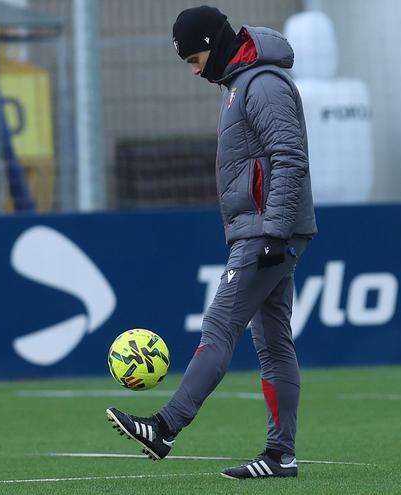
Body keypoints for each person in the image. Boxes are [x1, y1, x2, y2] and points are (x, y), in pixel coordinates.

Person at [105, 5, 317, 480]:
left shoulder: (261, 84)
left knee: (220, 327)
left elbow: (289, 156)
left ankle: (165, 428)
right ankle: (281, 456)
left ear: (211, 43)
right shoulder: (240, 84)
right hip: (263, 227)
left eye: (192, 58)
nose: (193, 69)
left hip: (268, 229)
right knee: (274, 345)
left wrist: (276, 232)